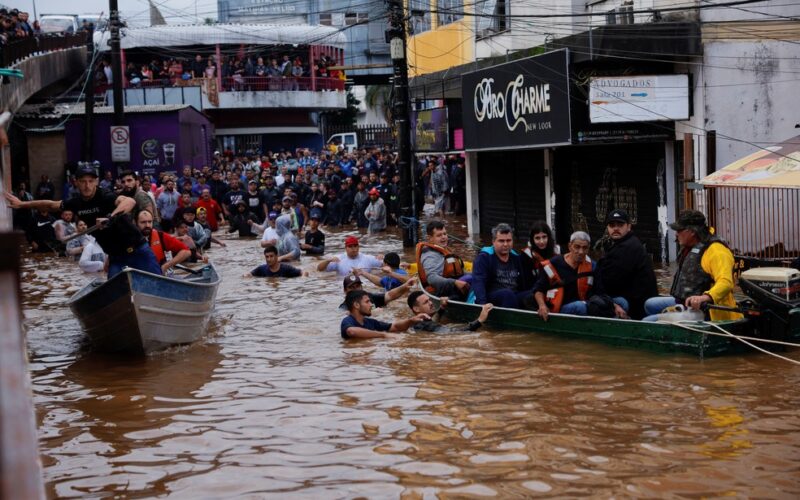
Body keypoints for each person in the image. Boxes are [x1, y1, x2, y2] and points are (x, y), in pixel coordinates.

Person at [5, 163, 160, 277]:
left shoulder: (106, 196)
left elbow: (129, 202)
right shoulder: (75, 202)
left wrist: (110, 217)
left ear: (96, 182)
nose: (87, 185)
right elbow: (51, 205)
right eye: (83, 181)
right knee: (116, 295)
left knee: (160, 284)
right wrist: (22, 204)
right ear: (76, 182)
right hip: (116, 257)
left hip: (139, 250)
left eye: (91, 181)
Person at [643, 210, 743, 322]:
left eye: (679, 230)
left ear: (692, 232)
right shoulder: (690, 246)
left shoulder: (716, 251)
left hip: (706, 310)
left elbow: (726, 282)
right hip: (685, 302)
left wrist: (705, 297)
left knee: (647, 321)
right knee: (649, 304)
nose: (676, 234)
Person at [533, 231, 627, 321]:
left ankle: (613, 321)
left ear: (588, 248)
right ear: (570, 246)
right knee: (580, 306)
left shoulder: (592, 266)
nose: (581, 251)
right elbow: (538, 290)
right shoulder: (553, 264)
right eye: (577, 247)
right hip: (562, 308)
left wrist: (615, 305)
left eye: (584, 248)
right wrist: (542, 306)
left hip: (588, 303)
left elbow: (600, 292)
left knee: (622, 302)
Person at [595, 209, 658, 319]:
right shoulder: (626, 244)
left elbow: (609, 282)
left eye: (620, 225)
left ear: (629, 227)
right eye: (612, 225)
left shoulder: (627, 248)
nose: (615, 228)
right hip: (639, 304)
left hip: (636, 309)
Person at [472, 223, 534, 308]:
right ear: (493, 242)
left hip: (514, 296)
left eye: (508, 240)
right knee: (507, 294)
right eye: (501, 241)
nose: (505, 244)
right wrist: (482, 306)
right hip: (492, 298)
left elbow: (524, 283)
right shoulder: (484, 258)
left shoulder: (516, 258)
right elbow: (478, 282)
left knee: (534, 294)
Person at [340, 289, 429, 340]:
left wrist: (411, 320)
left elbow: (395, 327)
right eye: (367, 302)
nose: (371, 305)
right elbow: (351, 331)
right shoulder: (347, 321)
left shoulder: (371, 322)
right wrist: (383, 335)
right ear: (356, 305)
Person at [416, 220, 471, 298]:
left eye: (445, 234)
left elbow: (458, 272)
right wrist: (455, 282)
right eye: (439, 235)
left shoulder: (444, 250)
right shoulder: (429, 256)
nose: (443, 237)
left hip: (451, 286)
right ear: (430, 238)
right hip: (440, 292)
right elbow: (432, 279)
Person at [407, 291, 493, 333]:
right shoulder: (426, 324)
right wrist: (479, 321)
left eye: (429, 300)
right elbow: (454, 332)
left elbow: (433, 324)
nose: (431, 303)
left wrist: (441, 308)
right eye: (426, 302)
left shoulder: (418, 323)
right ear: (416, 309)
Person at [136, 210, 191, 275]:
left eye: (150, 222)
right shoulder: (128, 238)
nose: (147, 225)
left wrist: (166, 265)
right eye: (143, 222)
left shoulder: (160, 236)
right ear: (135, 223)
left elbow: (186, 251)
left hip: (158, 276)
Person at [339, 273, 417, 310]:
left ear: (362, 287)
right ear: (345, 291)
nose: (356, 290)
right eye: (351, 287)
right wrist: (372, 313)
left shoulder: (369, 297)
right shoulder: (344, 307)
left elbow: (389, 295)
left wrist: (405, 286)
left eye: (357, 286)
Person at [317, 235, 383, 277]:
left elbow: (387, 264)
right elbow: (319, 269)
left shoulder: (368, 258)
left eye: (355, 246)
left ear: (358, 247)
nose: (353, 248)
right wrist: (328, 261)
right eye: (350, 246)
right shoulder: (338, 259)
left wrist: (383, 257)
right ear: (345, 248)